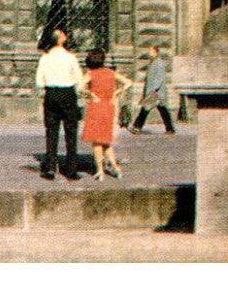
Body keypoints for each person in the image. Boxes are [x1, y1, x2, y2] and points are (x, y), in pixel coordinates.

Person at [35, 28, 83, 180]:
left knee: (51, 131)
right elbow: (79, 79)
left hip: (51, 94)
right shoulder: (71, 57)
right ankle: (71, 169)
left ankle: (50, 167)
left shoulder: (45, 58)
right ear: (61, 40)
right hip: (68, 94)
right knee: (71, 132)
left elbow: (39, 82)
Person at [81, 48, 131, 180]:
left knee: (97, 142)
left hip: (95, 108)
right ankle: (115, 168)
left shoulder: (91, 74)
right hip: (109, 107)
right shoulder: (111, 73)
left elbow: (78, 87)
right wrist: (117, 92)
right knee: (106, 141)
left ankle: (100, 171)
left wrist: (90, 94)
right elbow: (128, 82)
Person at [129, 45, 175, 134]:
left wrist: (154, 89)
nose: (149, 53)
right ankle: (170, 128)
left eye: (151, 51)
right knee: (161, 109)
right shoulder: (153, 62)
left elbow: (160, 77)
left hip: (155, 92)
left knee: (146, 109)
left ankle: (136, 126)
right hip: (153, 91)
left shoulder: (159, 63)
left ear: (156, 52)